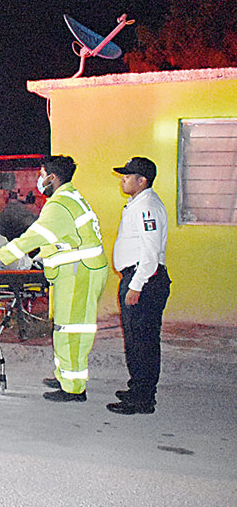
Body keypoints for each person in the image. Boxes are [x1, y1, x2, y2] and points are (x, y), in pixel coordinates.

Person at [0, 156, 108, 402]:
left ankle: (73, 388)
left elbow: (34, 237)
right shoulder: (70, 199)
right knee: (64, 327)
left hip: (79, 273)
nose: (39, 181)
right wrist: (42, 258)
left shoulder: (60, 205)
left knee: (71, 330)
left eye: (42, 175)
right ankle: (65, 376)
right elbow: (57, 237)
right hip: (76, 272)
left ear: (53, 177)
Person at [106, 157, 170, 415]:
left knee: (142, 342)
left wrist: (137, 285)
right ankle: (138, 388)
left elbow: (151, 253)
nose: (122, 179)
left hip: (144, 280)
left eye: (127, 175)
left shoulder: (148, 207)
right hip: (137, 278)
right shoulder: (137, 204)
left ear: (141, 180)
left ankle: (143, 398)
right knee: (135, 340)